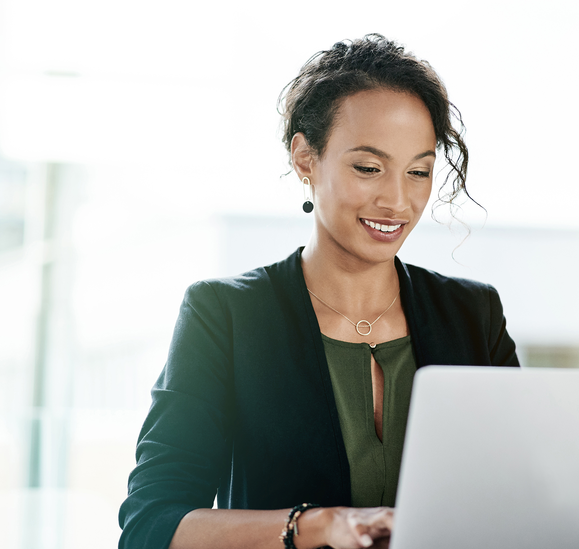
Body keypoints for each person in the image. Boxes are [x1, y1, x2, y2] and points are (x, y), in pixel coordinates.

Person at [118, 34, 519, 549]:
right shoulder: (227, 314)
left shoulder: (472, 313)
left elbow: (516, 492)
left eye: (418, 172)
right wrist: (317, 525)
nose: (397, 200)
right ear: (306, 158)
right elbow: (152, 525)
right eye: (368, 168)